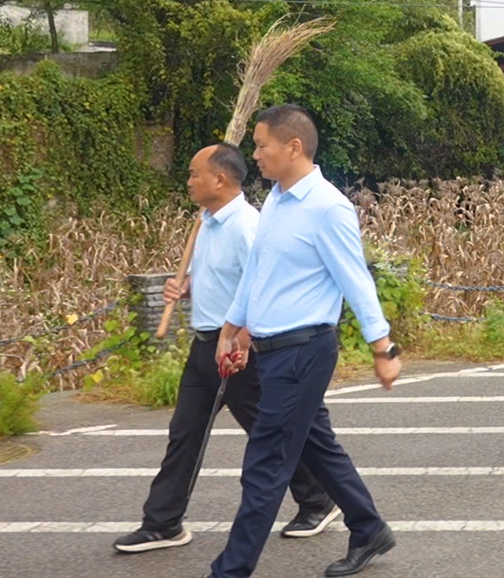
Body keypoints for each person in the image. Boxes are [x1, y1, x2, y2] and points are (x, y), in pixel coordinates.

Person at [112, 143, 336, 555]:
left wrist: (244, 341)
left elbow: (265, 285)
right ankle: (162, 523)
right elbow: (211, 277)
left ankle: (319, 500)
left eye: (195, 173)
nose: (189, 181)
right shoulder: (206, 222)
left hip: (240, 349)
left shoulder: (247, 225)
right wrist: (185, 286)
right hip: (204, 347)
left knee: (273, 433)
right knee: (184, 433)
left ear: (220, 179)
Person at [209, 105, 402, 578]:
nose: (254, 155)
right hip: (272, 350)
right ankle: (369, 527)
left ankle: (229, 571)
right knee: (317, 445)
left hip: (303, 349)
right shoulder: (275, 198)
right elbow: (258, 272)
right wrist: (231, 328)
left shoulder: (328, 207)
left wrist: (383, 347)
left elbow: (356, 279)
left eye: (261, 145)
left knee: (265, 465)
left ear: (293, 147)